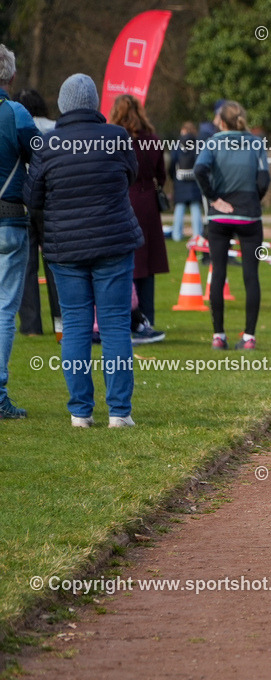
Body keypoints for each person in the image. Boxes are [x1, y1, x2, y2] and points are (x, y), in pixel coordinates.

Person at [25, 73, 143, 427]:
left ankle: (80, 412)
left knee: (75, 325)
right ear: (94, 104)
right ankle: (120, 413)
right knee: (115, 325)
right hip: (113, 242)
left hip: (65, 247)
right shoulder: (117, 138)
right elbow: (131, 176)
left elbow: (33, 197)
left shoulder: (47, 144)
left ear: (62, 105)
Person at [193, 101, 269, 350]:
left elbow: (199, 170)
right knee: (251, 276)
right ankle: (249, 337)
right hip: (249, 217)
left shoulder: (213, 143)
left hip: (219, 218)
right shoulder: (256, 143)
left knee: (218, 274)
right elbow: (264, 179)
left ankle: (219, 336)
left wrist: (215, 198)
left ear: (221, 122)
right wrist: (251, 201)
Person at [0, 45, 39, 419]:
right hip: (10, 218)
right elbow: (39, 159)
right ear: (10, 78)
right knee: (4, 310)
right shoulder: (16, 113)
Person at [109, 95, 167, 342]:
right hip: (148, 204)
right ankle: (148, 318)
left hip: (124, 201)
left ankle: (130, 317)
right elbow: (161, 175)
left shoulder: (113, 140)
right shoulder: (152, 140)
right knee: (148, 265)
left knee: (127, 262)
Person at [14, 88, 60, 338]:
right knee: (54, 262)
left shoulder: (17, 125)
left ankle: (31, 326)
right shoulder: (55, 128)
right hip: (51, 200)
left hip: (23, 198)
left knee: (27, 266)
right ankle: (60, 321)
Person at [169, 121, 203, 241]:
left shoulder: (177, 145)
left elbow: (173, 162)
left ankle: (177, 234)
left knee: (179, 208)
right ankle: (197, 234)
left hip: (180, 180)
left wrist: (174, 177)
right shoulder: (197, 144)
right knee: (195, 208)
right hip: (194, 180)